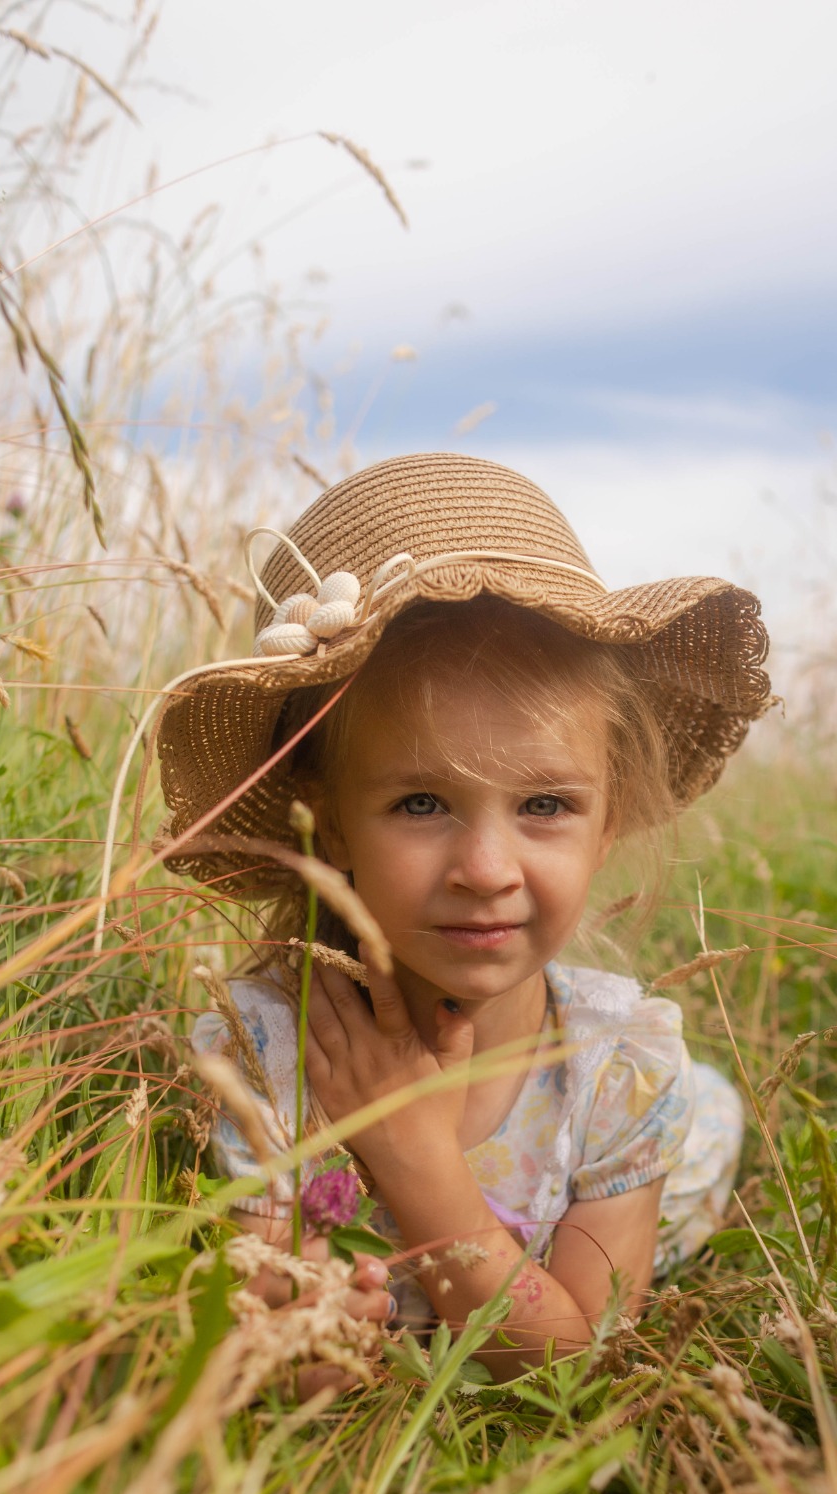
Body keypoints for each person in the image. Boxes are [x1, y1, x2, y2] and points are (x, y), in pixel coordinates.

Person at [155, 452, 770, 1384]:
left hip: (634, 1164)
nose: (486, 872)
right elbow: (272, 1330)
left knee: (703, 1114)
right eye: (420, 805)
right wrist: (306, 1344)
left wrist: (416, 1163)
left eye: (546, 806)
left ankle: (706, 1131)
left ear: (609, 818)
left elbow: (569, 1362)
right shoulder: (266, 1059)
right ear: (320, 821)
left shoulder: (619, 1071)